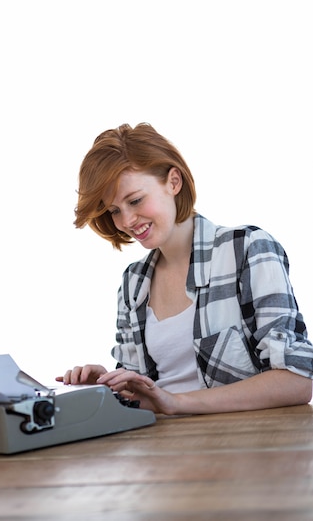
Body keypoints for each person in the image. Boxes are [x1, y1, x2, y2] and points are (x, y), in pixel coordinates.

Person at [56, 122, 313, 415]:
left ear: (174, 182)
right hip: (164, 450)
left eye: (135, 200)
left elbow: (298, 380)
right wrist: (107, 384)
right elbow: (145, 395)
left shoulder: (247, 249)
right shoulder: (133, 283)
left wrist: (176, 402)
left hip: (244, 449)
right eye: (115, 210)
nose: (127, 220)